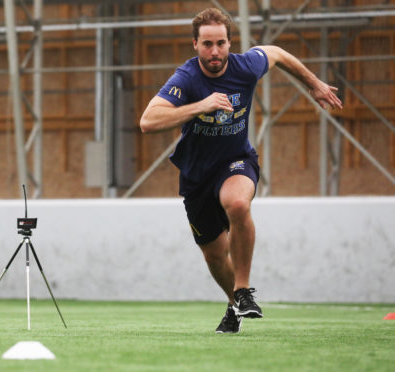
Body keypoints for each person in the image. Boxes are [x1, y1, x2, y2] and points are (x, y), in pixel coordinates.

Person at [139, 8, 342, 334]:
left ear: (231, 43)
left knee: (237, 203)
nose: (215, 51)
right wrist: (199, 106)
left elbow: (276, 53)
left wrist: (314, 83)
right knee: (215, 256)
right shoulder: (187, 78)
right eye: (207, 44)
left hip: (236, 161)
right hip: (196, 176)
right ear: (195, 44)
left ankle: (244, 290)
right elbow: (148, 121)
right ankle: (234, 305)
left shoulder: (246, 66)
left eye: (221, 43)